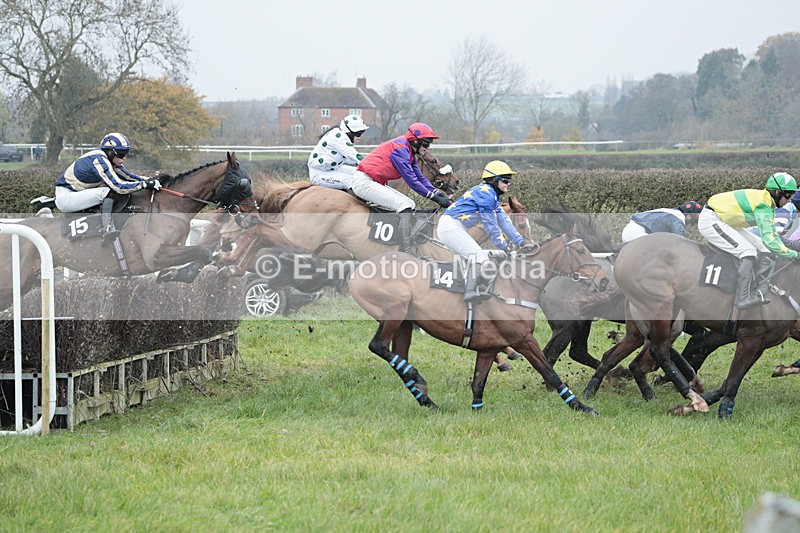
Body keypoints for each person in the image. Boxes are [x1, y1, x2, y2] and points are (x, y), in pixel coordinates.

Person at [698, 172, 799, 310]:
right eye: (788, 195)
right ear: (776, 192)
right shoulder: (763, 206)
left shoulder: (768, 204)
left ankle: (760, 290)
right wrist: (794, 255)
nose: (789, 200)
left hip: (726, 221)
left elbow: (771, 239)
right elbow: (771, 242)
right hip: (712, 220)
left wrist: (792, 250)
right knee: (748, 251)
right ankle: (743, 298)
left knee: (763, 249)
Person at [438, 160, 531, 303]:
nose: (508, 183)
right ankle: (469, 293)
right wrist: (505, 247)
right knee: (480, 259)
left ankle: (465, 295)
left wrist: (522, 242)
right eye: (505, 180)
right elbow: (491, 227)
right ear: (494, 180)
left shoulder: (491, 195)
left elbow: (504, 222)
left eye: (509, 180)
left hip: (453, 226)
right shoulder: (486, 195)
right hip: (450, 227)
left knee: (471, 263)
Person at [351, 122, 453, 252]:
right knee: (404, 205)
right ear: (415, 142)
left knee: (410, 203)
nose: (427, 148)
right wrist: (435, 198)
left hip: (372, 181)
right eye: (426, 144)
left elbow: (420, 177)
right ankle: (405, 250)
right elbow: (412, 182)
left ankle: (403, 242)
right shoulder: (400, 150)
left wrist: (436, 192)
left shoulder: (408, 150)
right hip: (364, 182)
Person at [55, 133, 160, 242]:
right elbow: (118, 186)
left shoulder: (108, 159)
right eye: (121, 154)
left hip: (76, 194)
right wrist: (144, 185)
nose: (124, 158)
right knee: (108, 192)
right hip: (66, 198)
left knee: (112, 192)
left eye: (126, 153)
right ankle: (107, 228)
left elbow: (129, 177)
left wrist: (150, 180)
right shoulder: (99, 160)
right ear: (110, 152)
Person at [307, 115, 369, 190]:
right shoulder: (339, 138)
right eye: (358, 133)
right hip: (319, 174)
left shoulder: (339, 134)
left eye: (362, 132)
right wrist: (371, 165)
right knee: (351, 181)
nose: (360, 136)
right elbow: (354, 155)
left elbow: (349, 158)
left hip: (333, 169)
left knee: (360, 173)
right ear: (349, 132)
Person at [621, 201, 703, 243]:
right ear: (688, 217)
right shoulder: (679, 218)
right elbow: (679, 242)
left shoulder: (673, 212)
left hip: (631, 230)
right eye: (692, 223)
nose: (690, 226)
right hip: (637, 232)